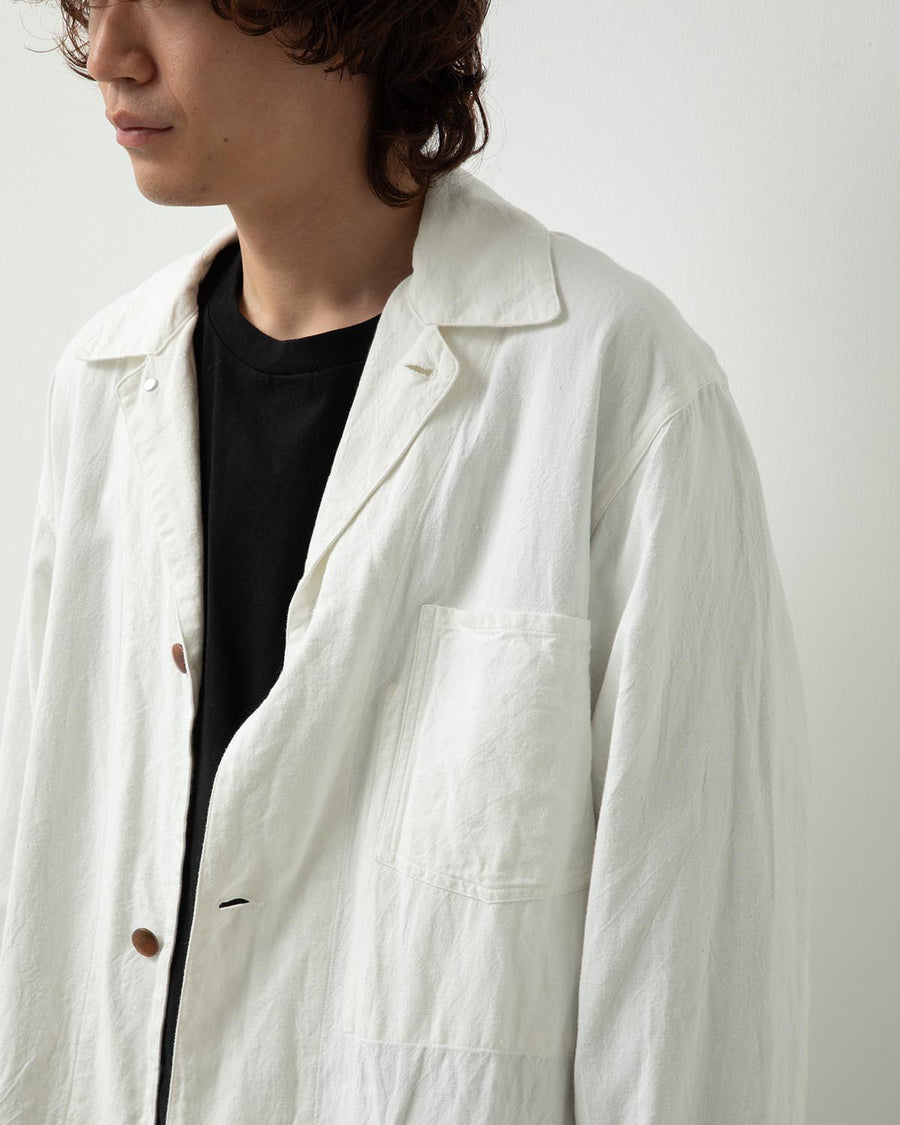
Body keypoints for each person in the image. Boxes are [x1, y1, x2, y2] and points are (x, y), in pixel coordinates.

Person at [0, 1, 810, 1123]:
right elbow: (53, 914)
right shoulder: (100, 384)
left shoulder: (621, 393)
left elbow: (691, 989)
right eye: (94, 0)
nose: (108, 56)